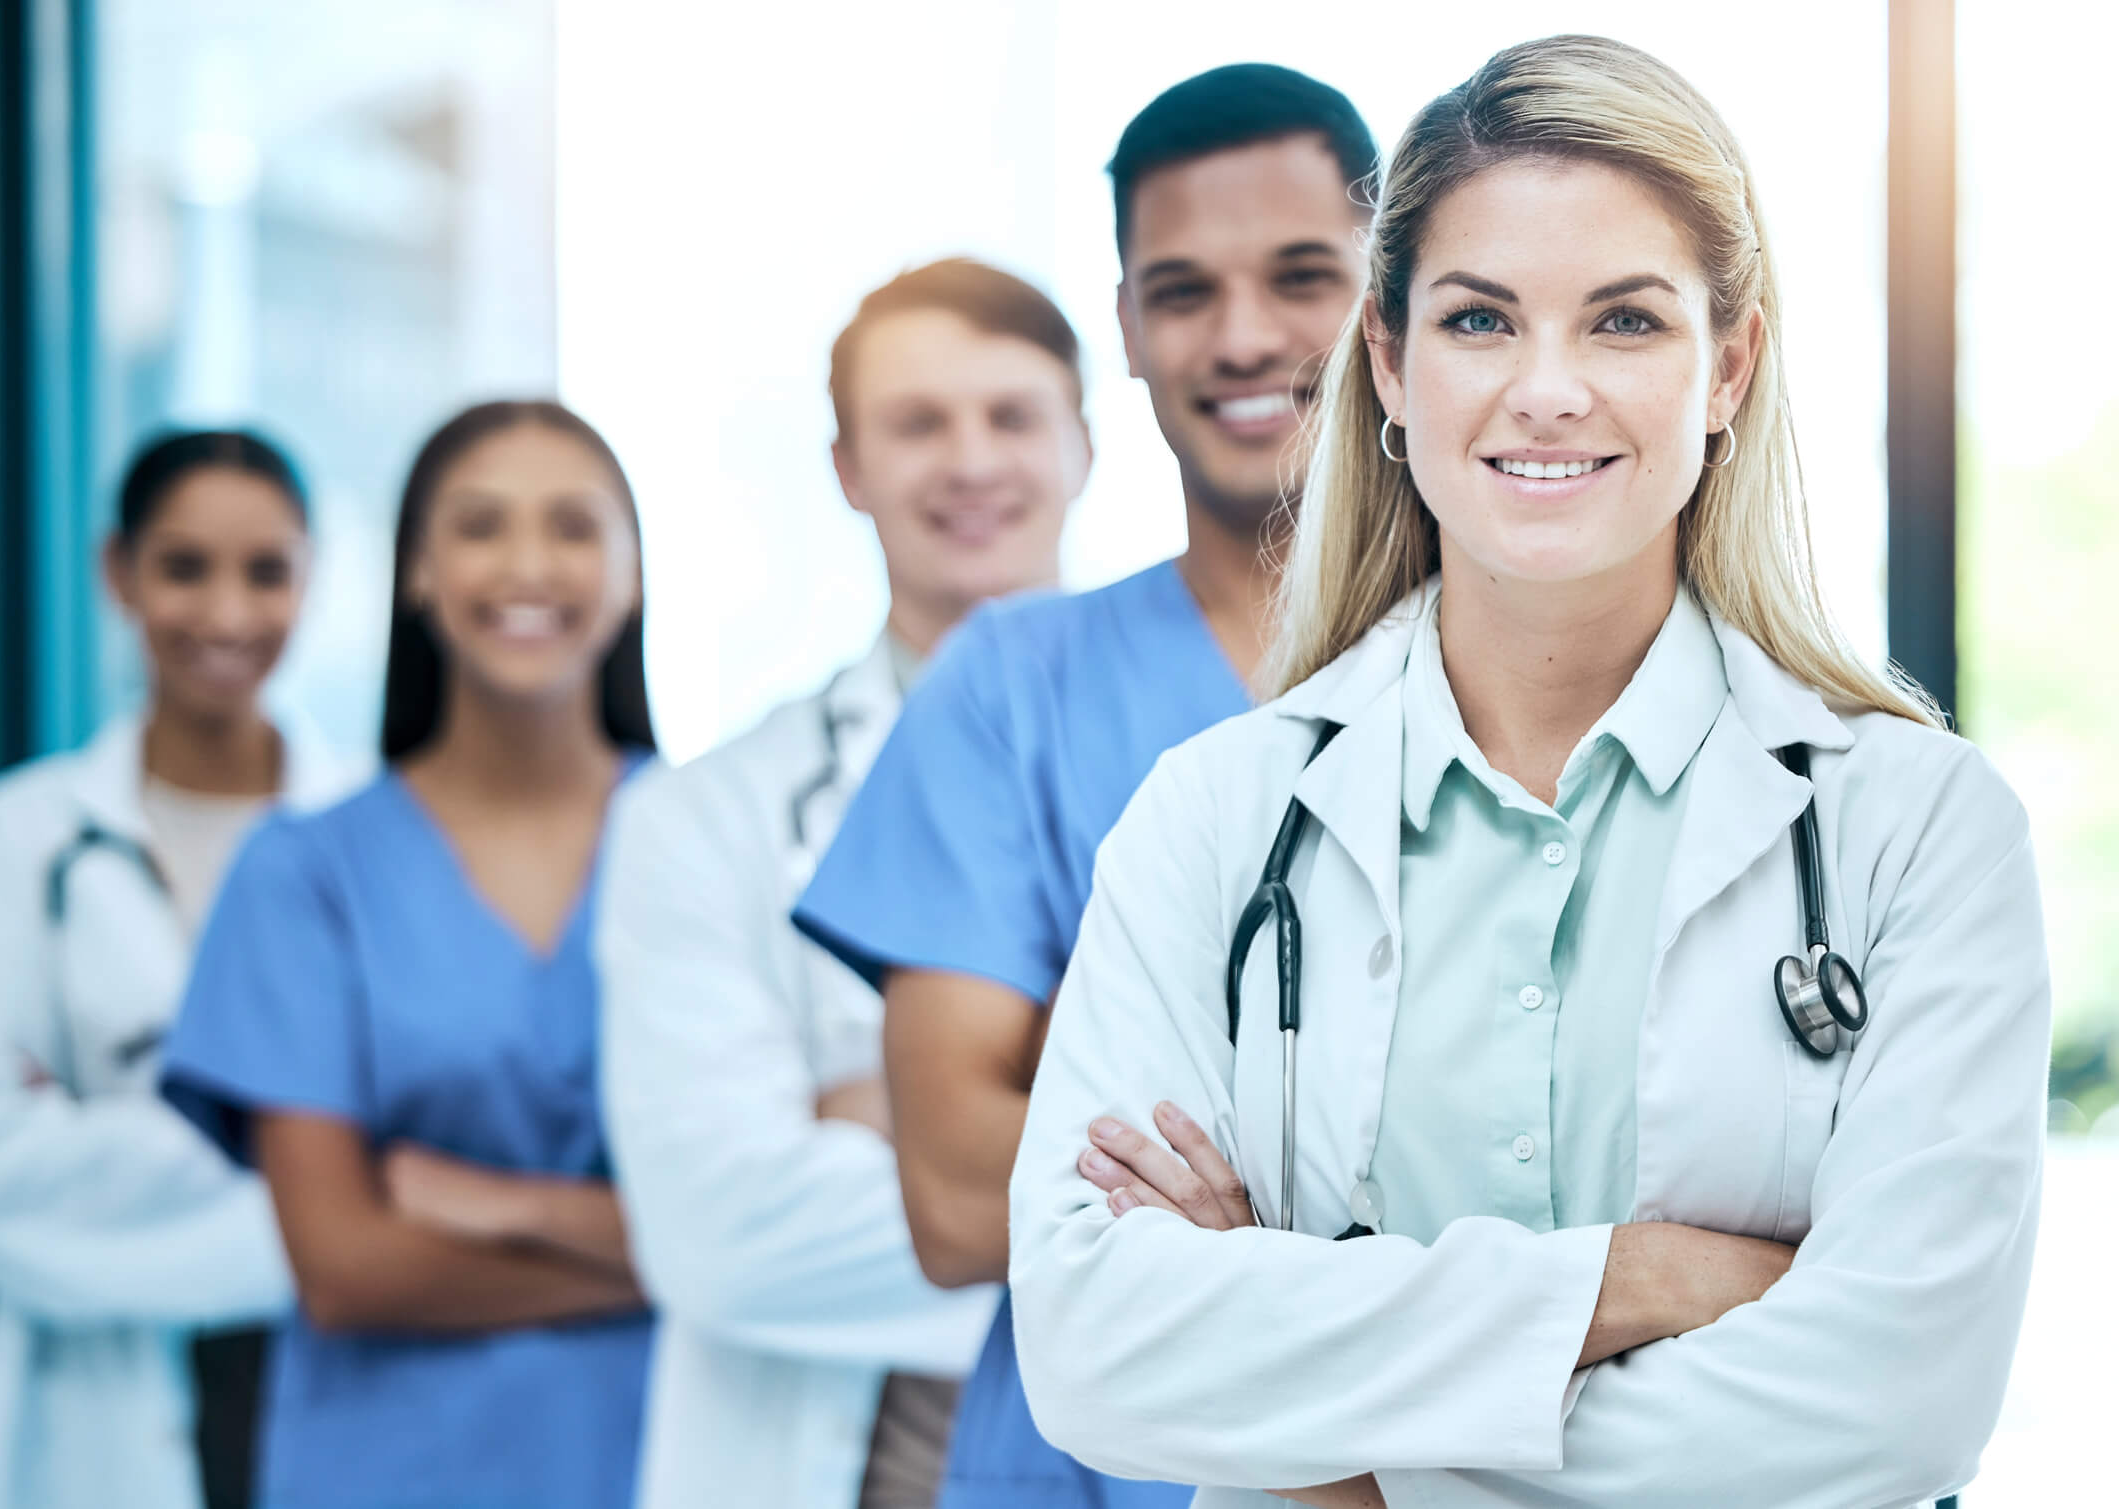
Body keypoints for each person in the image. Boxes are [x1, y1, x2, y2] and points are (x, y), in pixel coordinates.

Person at [1007, 35, 2047, 1509]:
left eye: (1624, 321)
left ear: (1728, 367)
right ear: (1389, 360)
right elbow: (1094, 1348)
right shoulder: (1216, 816)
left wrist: (1342, 1459)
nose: (1547, 391)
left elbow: (1901, 1401)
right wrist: (1640, 1279)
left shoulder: (1915, 826)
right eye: (1481, 320)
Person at [794, 67, 1378, 1509]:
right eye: (1183, 291)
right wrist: (1366, 1171)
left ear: (1394, 293)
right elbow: (951, 1199)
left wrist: (1113, 1056)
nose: (1242, 336)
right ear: (1123, 325)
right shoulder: (1009, 688)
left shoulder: (1506, 666)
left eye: (1301, 277)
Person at [597, 257, 1090, 1509]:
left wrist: (903, 1111)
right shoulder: (703, 818)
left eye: (1011, 416)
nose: (970, 461)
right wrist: (1134, 1178)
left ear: (1083, 445)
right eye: (918, 424)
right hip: (863, 1460)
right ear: (848, 469)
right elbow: (718, 1232)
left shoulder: (1237, 754)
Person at [160, 401, 657, 1509]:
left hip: (675, 1459)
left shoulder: (722, 848)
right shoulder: (305, 874)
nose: (527, 563)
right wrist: (673, 1262)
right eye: (480, 525)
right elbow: (345, 1270)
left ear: (632, 574)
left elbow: (828, 1203)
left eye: (573, 525)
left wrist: (505, 1204)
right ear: (417, 573)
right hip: (390, 1470)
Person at [0, 430, 360, 1509]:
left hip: (335, 1409)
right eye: (185, 567)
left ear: (311, 579)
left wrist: (113, 1143)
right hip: (99, 1437)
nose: (227, 615)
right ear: (118, 572)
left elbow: (435, 1142)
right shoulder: (17, 840)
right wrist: (332, 1196)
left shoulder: (374, 842)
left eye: (266, 572)